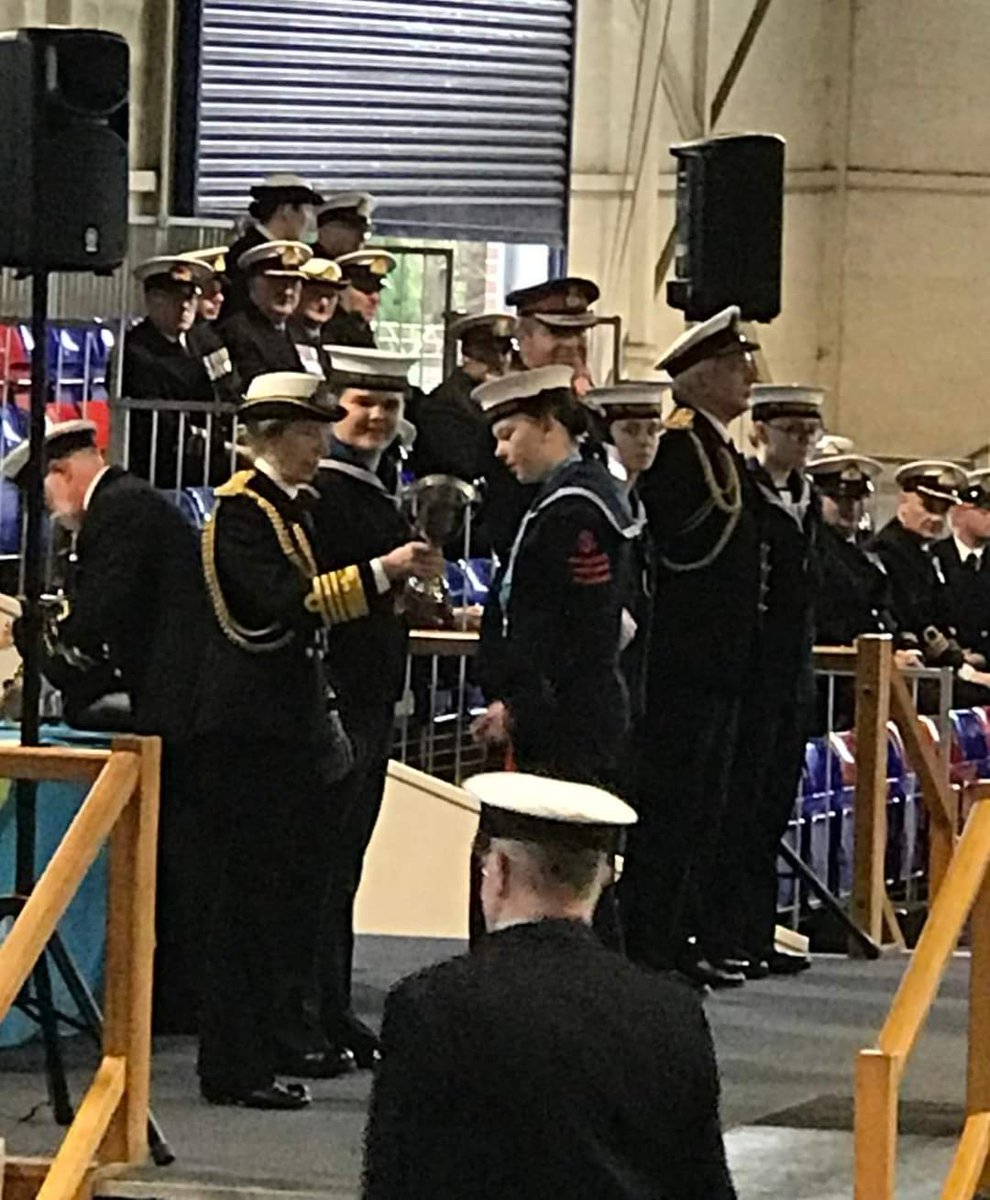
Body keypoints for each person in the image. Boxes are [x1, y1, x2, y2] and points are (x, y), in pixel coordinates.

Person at [362, 771, 737, 1200]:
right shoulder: (672, 1013)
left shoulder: (430, 1006)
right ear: (601, 881)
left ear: (497, 871)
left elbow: (394, 1182)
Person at [196, 371, 373, 1108]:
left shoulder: (288, 511)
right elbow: (279, 607)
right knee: (246, 904)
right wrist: (377, 578)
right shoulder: (244, 512)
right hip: (249, 737)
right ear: (275, 435)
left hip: (281, 733)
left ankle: (266, 1044)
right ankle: (235, 1065)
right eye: (309, 431)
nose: (320, 443)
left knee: (278, 902)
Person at [3, 420, 212, 1033]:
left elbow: (98, 624)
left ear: (61, 475)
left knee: (167, 861)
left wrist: (31, 642)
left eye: (45, 495)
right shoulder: (132, 504)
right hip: (174, 699)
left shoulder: (119, 515)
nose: (50, 511)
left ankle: (166, 1001)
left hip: (171, 709)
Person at [619, 306, 762, 991]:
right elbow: (678, 553)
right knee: (670, 810)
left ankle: (678, 935)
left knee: (703, 808)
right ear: (701, 377)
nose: (748, 378)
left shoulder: (719, 449)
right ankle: (651, 940)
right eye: (736, 367)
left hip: (718, 664)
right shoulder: (679, 447)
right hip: (682, 663)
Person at [310, 347, 444, 1069]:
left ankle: (331, 1007)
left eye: (389, 405)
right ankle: (312, 1009)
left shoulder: (378, 488)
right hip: (335, 699)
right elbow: (307, 598)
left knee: (346, 868)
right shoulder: (324, 496)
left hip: (374, 697)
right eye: (363, 402)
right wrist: (386, 575)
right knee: (323, 867)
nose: (376, 417)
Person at [472, 365, 637, 782]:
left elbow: (581, 633)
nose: (499, 452)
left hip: (566, 721)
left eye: (508, 435)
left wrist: (521, 710)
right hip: (552, 715)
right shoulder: (559, 497)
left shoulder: (577, 509)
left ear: (548, 426)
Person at [712, 385, 824, 978]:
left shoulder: (809, 497)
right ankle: (727, 930)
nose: (801, 442)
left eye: (809, 432)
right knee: (741, 808)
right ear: (762, 432)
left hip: (790, 677)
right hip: (753, 672)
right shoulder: (745, 494)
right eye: (790, 431)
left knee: (773, 810)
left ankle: (757, 929)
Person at [585, 381, 665, 775]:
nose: (645, 441)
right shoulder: (597, 498)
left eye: (653, 430)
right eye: (631, 430)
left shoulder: (635, 500)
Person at [121, 255, 233, 485]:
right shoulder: (136, 351)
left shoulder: (204, 338)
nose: (184, 306)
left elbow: (229, 387)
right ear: (152, 300)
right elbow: (162, 428)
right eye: (173, 298)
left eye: (190, 297)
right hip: (167, 468)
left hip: (214, 456)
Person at [865, 460, 968, 665]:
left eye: (943, 509)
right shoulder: (887, 552)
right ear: (904, 501)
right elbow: (910, 619)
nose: (936, 518)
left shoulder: (927, 554)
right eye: (928, 506)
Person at [411, 313, 516, 484]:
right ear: (469, 355)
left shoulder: (493, 399)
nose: (503, 360)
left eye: (505, 350)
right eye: (489, 353)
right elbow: (468, 464)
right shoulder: (445, 404)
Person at [221, 240, 332, 385]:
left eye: (293, 283)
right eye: (277, 283)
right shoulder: (237, 332)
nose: (287, 291)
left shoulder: (298, 332)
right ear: (252, 284)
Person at [223, 173, 324, 319]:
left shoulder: (291, 253)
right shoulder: (245, 253)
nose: (310, 220)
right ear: (286, 211)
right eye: (307, 211)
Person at [932, 470, 990, 702]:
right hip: (948, 672)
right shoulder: (935, 557)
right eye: (985, 510)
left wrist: (983, 656)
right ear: (960, 513)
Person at [505, 276, 599, 372]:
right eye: (558, 332)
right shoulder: (503, 386)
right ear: (523, 337)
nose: (572, 343)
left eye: (580, 332)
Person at [322, 249, 397, 349]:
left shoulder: (364, 333)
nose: (375, 299)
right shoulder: (324, 334)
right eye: (366, 288)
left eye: (378, 289)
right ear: (339, 291)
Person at [287, 257, 346, 369]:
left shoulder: (335, 341)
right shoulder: (283, 339)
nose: (324, 303)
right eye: (315, 294)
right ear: (298, 292)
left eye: (330, 296)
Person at [313, 191, 375, 260]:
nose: (361, 239)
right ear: (327, 230)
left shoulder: (359, 266)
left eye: (364, 230)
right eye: (351, 228)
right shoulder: (308, 261)